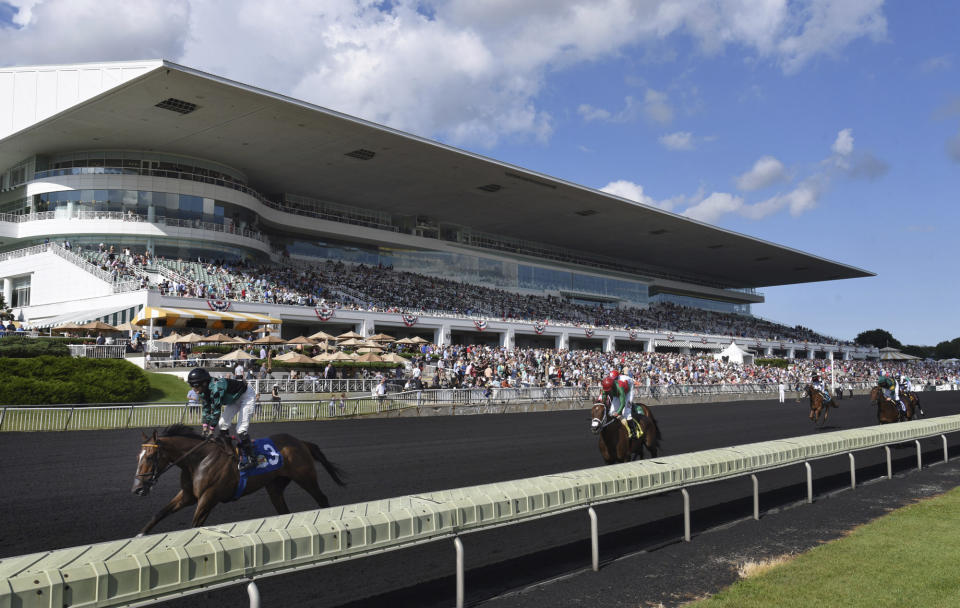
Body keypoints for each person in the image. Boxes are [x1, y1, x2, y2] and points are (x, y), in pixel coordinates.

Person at [187, 367, 259, 472]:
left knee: (241, 429)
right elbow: (206, 409)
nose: (194, 389)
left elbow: (216, 410)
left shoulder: (217, 387)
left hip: (246, 396)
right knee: (222, 424)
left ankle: (252, 459)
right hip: (234, 399)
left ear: (204, 383)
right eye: (191, 385)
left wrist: (211, 431)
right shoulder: (203, 391)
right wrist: (204, 429)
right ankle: (228, 450)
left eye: (195, 385)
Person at [601, 374, 641, 440]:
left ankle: (633, 432)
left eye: (608, 390)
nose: (607, 391)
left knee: (626, 413)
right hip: (616, 392)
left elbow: (623, 403)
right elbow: (604, 395)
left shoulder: (619, 387)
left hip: (628, 391)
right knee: (611, 412)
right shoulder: (606, 386)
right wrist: (603, 402)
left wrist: (618, 412)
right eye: (606, 390)